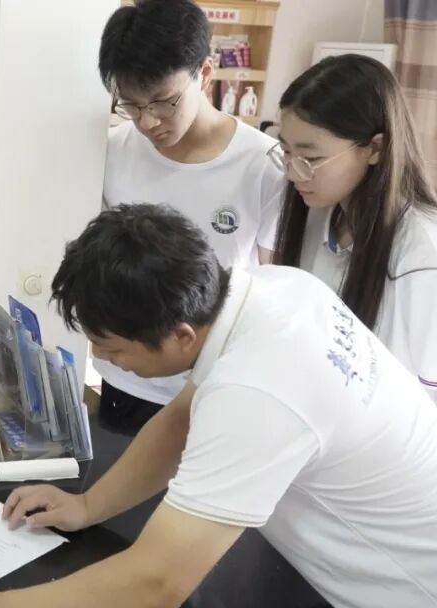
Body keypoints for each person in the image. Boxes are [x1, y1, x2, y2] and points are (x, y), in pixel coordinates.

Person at [0, 204, 437, 607]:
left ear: (178, 334)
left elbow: (158, 582)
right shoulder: (274, 290)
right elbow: (180, 421)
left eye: (113, 348)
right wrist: (88, 505)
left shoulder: (256, 391)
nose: (108, 360)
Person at [271, 54, 437, 451]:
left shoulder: (431, 257)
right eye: (285, 151)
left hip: (393, 465)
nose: (292, 171)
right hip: (323, 447)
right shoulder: (321, 216)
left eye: (311, 158)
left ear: (375, 148)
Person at [96, 0, 284, 431]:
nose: (148, 121)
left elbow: (277, 283)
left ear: (205, 72)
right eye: (132, 105)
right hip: (127, 381)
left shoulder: (263, 165)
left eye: (163, 101)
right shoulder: (112, 151)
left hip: (214, 384)